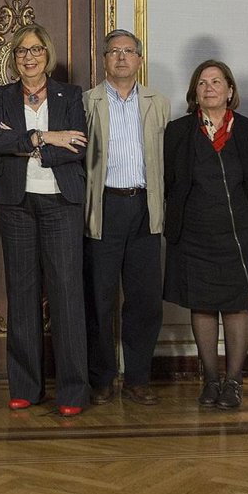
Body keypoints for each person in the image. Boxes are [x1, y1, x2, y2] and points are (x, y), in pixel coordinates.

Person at [0, 23, 89, 416]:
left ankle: (73, 392)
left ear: (48, 55)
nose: (29, 57)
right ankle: (26, 387)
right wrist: (45, 137)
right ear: (13, 59)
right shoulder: (0, 97)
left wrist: (27, 142)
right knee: (23, 294)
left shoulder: (70, 95)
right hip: (15, 203)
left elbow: (77, 146)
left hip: (62, 203)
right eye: (21, 52)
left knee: (66, 296)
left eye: (36, 50)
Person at [163, 60, 248, 410]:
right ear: (194, 93)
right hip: (195, 233)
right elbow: (171, 182)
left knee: (237, 307)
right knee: (204, 307)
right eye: (201, 83)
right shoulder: (178, 130)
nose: (208, 87)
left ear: (230, 90)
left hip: (239, 234)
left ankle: (234, 383)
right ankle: (210, 381)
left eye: (216, 81)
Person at [82, 29, 170, 407]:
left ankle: (138, 379)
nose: (121, 58)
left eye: (128, 52)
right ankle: (101, 379)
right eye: (113, 52)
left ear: (139, 59)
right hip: (104, 207)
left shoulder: (158, 103)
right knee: (99, 299)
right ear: (103, 60)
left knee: (145, 300)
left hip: (145, 208)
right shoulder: (87, 102)